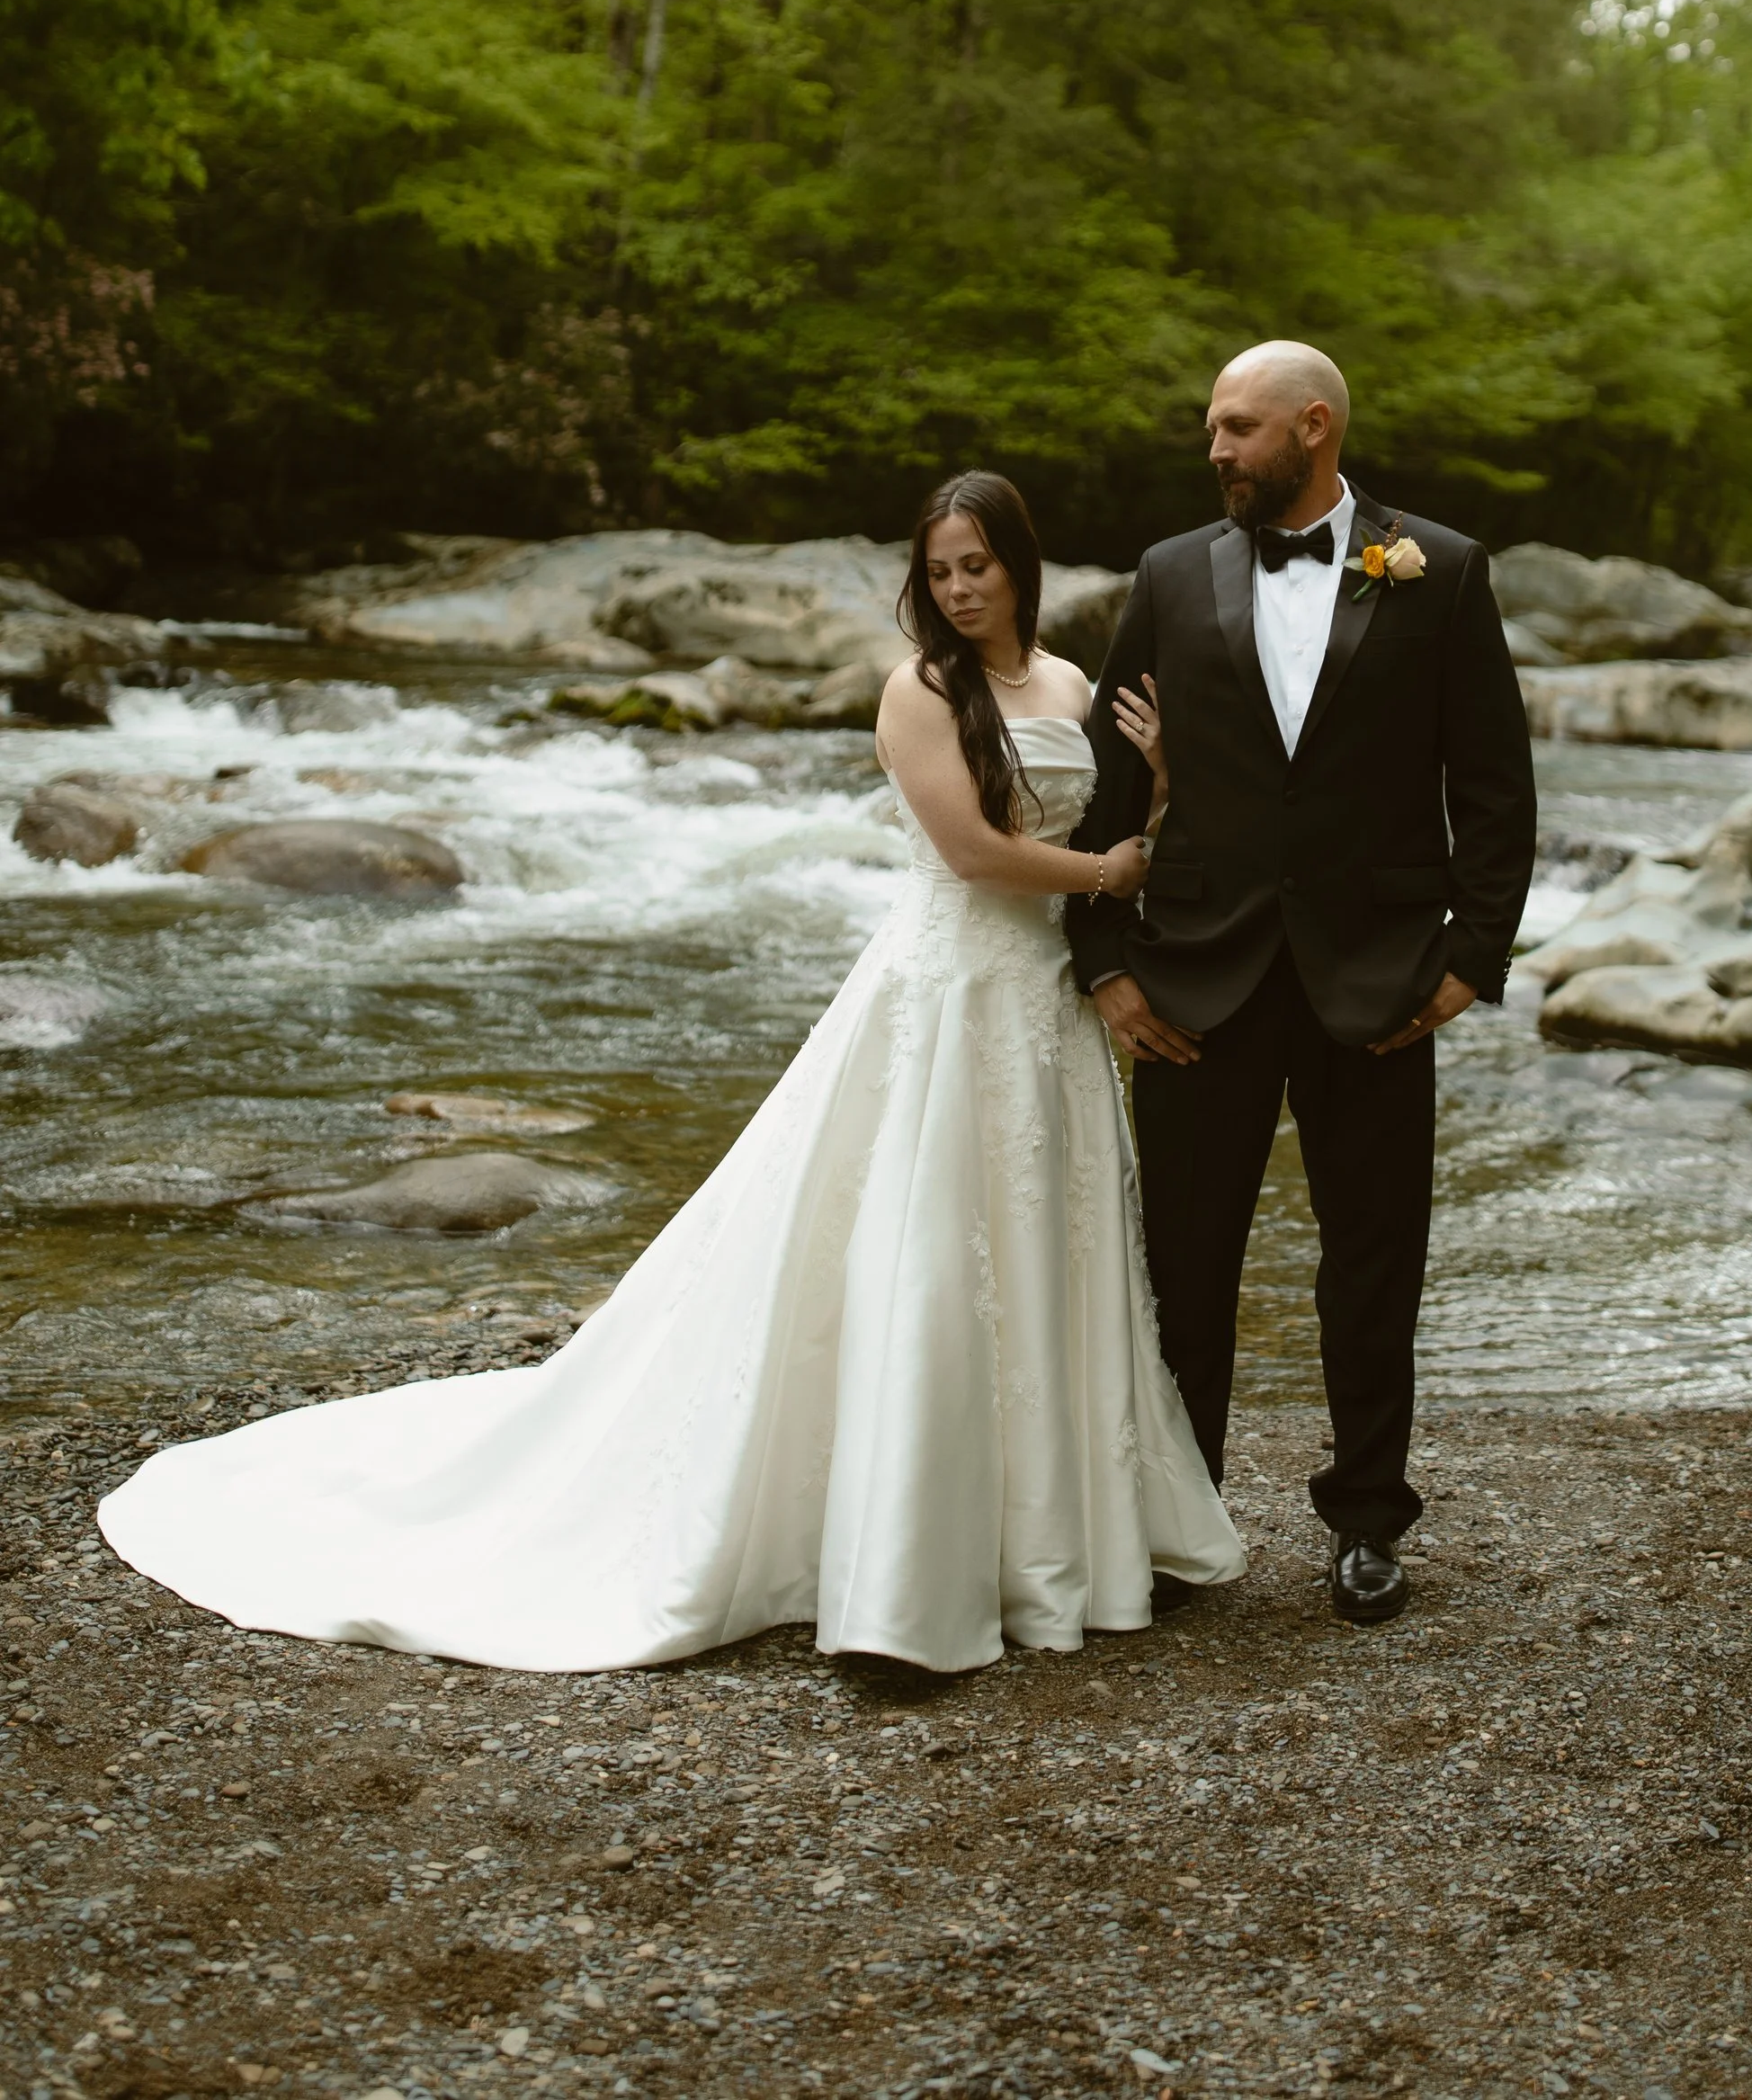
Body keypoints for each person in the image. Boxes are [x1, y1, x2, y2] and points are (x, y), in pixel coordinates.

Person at [98, 473, 1244, 1673]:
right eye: (941, 569)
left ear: (1021, 564)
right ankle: (911, 1558)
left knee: (1038, 1250)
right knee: (929, 1253)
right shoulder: (916, 691)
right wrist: (1111, 880)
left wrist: (1155, 792)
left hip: (1039, 1011)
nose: (958, 589)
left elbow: (1101, 828)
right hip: (946, 993)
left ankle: (1053, 1539)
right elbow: (972, 852)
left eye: (978, 566)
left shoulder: (1068, 686)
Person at [1068, 343, 1536, 1626]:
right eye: (1214, 430)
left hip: (1380, 983)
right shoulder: (1169, 573)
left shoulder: (1441, 569)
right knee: (1185, 1261)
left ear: (1311, 426)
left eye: (1234, 428)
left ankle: (1369, 1522)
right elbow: (1111, 784)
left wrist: (1464, 967)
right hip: (1195, 977)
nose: (1213, 450)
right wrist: (1103, 961)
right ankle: (1181, 1518)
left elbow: (1495, 787)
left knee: (1375, 1264)